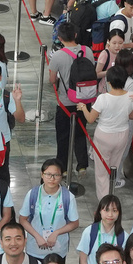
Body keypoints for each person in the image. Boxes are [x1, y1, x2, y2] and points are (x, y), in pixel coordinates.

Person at [80, 66, 133, 197]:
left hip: (104, 135)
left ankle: (104, 200)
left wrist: (83, 108)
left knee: (102, 171)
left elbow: (90, 119)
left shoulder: (103, 98)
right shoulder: (131, 96)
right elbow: (132, 116)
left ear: (108, 82)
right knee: (114, 166)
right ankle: (112, 193)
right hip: (122, 134)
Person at [49, 25, 94, 173]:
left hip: (65, 102)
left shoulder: (57, 56)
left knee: (63, 136)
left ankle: (63, 168)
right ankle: (82, 165)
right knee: (80, 133)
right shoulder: (87, 51)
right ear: (75, 34)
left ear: (60, 38)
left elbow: (52, 79)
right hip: (85, 100)